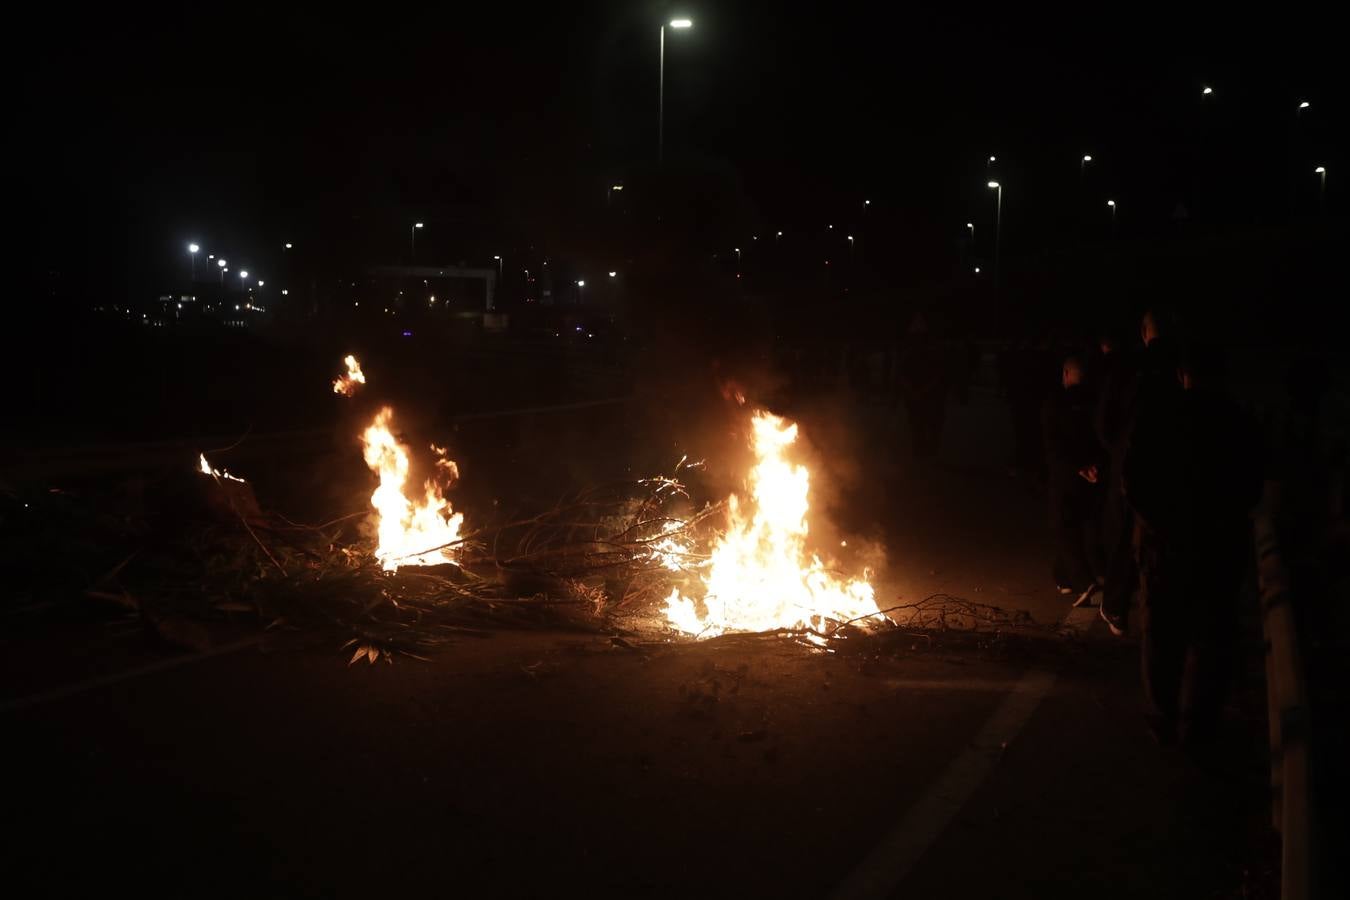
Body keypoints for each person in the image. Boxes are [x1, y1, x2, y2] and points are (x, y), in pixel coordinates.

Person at [1123, 343, 1264, 746]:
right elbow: (1252, 487)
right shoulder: (1238, 422)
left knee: (1162, 633)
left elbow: (1132, 480)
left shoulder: (1158, 419)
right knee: (1211, 638)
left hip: (1164, 548)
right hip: (1218, 548)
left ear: (1183, 376)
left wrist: (1157, 526)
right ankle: (1199, 725)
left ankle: (1165, 714)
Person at [1096, 310, 1181, 636]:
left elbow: (1105, 418)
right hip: (1167, 463)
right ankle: (1160, 610)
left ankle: (1116, 606)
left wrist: (1116, 450)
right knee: (1161, 535)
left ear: (1144, 333)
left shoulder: (1128, 366)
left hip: (1129, 460)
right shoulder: (1177, 364)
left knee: (1123, 536)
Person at [1042, 354, 1105, 605]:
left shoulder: (1055, 402)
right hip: (1093, 475)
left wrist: (1076, 467)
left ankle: (1083, 581)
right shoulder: (1097, 400)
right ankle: (1064, 577)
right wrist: (1095, 466)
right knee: (1082, 524)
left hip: (1066, 475)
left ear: (1066, 374)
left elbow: (1053, 443)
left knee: (1063, 526)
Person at [897, 313, 949, 460]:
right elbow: (901, 375)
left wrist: (920, 390)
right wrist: (913, 391)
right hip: (919, 396)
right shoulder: (908, 353)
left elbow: (939, 375)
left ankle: (926, 452)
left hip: (930, 397)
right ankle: (922, 452)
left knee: (928, 425)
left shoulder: (935, 352)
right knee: (918, 425)